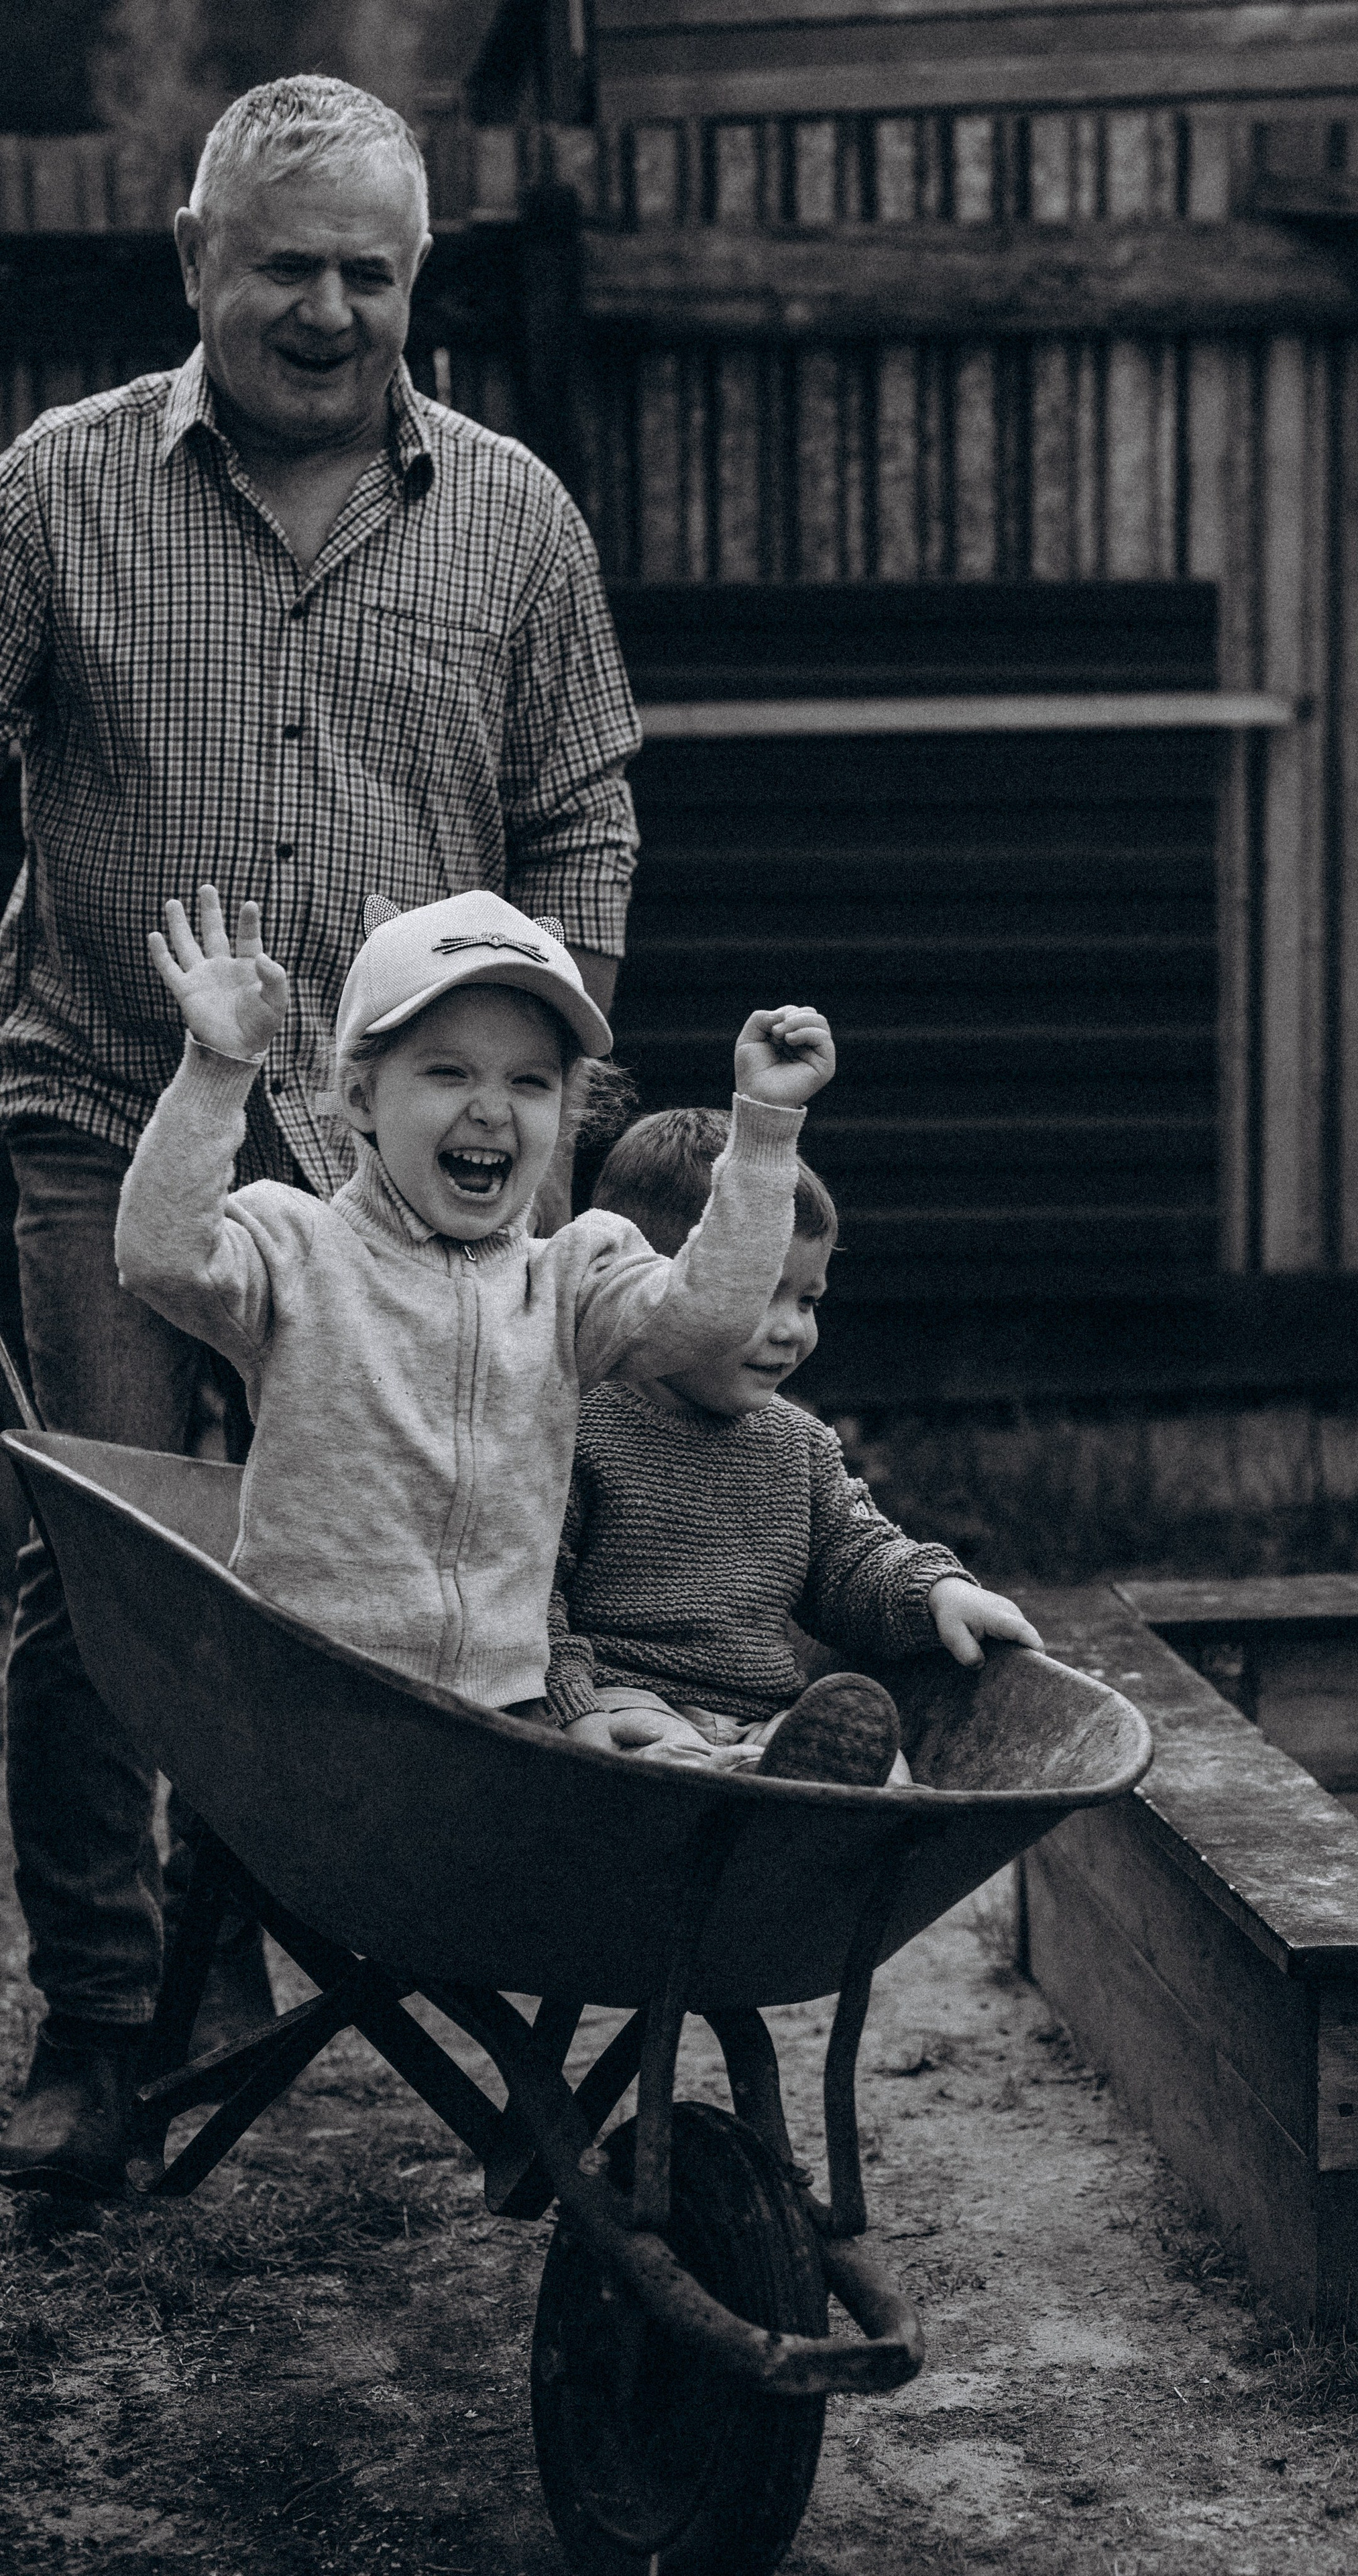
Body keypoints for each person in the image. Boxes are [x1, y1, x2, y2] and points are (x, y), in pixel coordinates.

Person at [0, 74, 643, 2192]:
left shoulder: (513, 516)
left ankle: (256, 1931)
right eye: (289, 265)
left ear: (415, 281)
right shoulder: (51, 497)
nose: (332, 308)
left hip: (401, 1172)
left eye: (373, 271)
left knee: (405, 1560)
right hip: (113, 1106)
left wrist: (543, 1088)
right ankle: (104, 2022)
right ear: (198, 266)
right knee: (105, 1578)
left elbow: (584, 806)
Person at [110, 888, 830, 1733]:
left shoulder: (569, 1281)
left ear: (564, 1112)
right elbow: (157, 1255)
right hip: (307, 1693)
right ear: (363, 1097)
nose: (491, 1107)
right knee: (274, 1868)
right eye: (448, 1071)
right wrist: (217, 1068)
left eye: (529, 1080)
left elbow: (709, 1314)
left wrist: (768, 1130)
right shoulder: (298, 1249)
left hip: (500, 1711)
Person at [545, 1108, 1043, 1786]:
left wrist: (936, 1590)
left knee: (882, 1766)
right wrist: (575, 1712)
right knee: (655, 1757)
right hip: (623, 1694)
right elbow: (530, 1595)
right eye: (759, 1296)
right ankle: (711, 1782)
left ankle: (805, 1794)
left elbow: (853, 1556)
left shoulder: (796, 1444)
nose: (790, 1332)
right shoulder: (581, 1425)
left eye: (807, 1301)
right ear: (658, 1289)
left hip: (765, 1710)